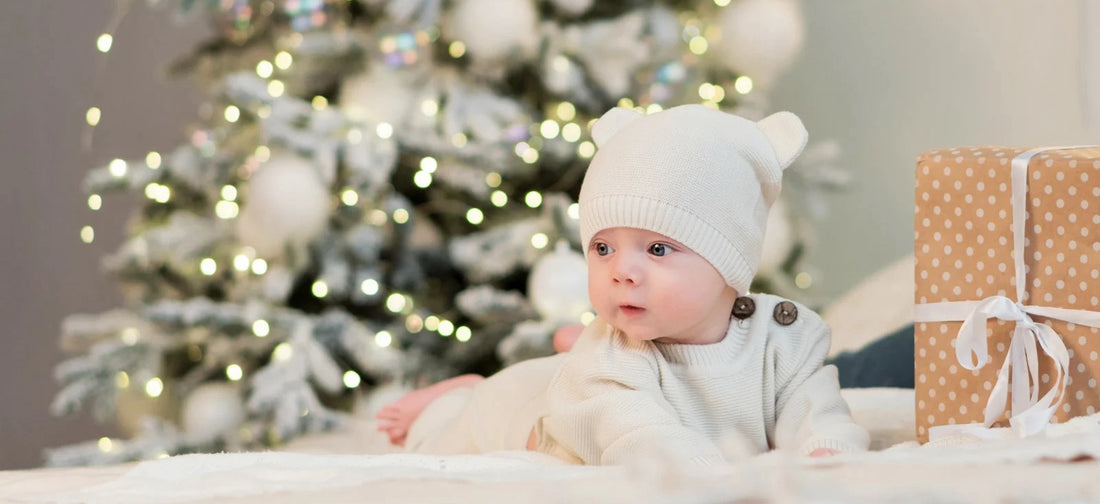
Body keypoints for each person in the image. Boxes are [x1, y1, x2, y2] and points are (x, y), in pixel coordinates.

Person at [375, 105, 870, 465]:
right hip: (522, 413)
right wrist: (698, 472)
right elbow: (638, 436)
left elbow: (813, 407)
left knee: (570, 358)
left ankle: (552, 352)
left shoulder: (781, 341)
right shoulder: (611, 362)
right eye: (603, 248)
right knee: (439, 440)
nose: (621, 271)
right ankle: (456, 395)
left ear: (729, 261)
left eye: (657, 250)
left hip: (569, 372)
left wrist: (824, 444)